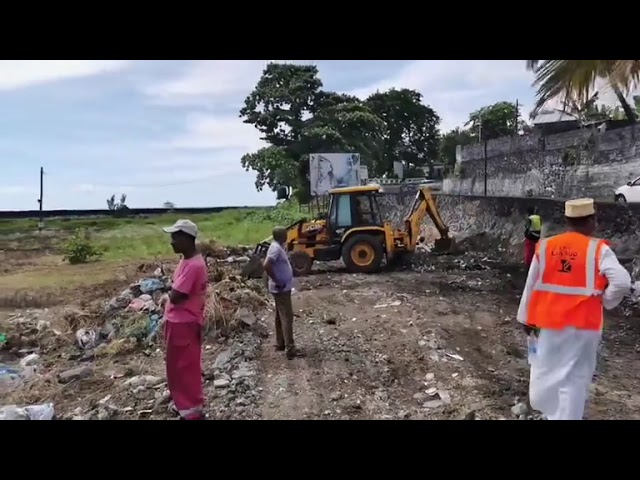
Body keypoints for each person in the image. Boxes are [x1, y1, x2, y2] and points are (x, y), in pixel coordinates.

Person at [516, 198, 630, 420]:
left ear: (567, 221)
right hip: (583, 325)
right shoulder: (598, 249)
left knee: (547, 372)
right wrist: (606, 300)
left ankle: (552, 414)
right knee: (574, 379)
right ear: (591, 221)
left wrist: (525, 319)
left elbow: (531, 284)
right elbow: (622, 282)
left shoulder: (546, 246)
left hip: (548, 322)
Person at [161, 219, 208, 420]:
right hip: (182, 322)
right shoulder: (188, 260)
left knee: (183, 368)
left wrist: (166, 296)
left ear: (187, 239)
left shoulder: (193, 265)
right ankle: (185, 406)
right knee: (179, 366)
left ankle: (191, 411)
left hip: (183, 323)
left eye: (175, 237)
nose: (171, 242)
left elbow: (177, 295)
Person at [263, 226, 304, 359]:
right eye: (285, 234)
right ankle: (290, 348)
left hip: (280, 287)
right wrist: (277, 281)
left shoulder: (278, 246)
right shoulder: (275, 248)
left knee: (280, 315)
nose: (287, 236)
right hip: (280, 287)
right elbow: (266, 265)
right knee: (287, 316)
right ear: (281, 236)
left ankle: (280, 343)